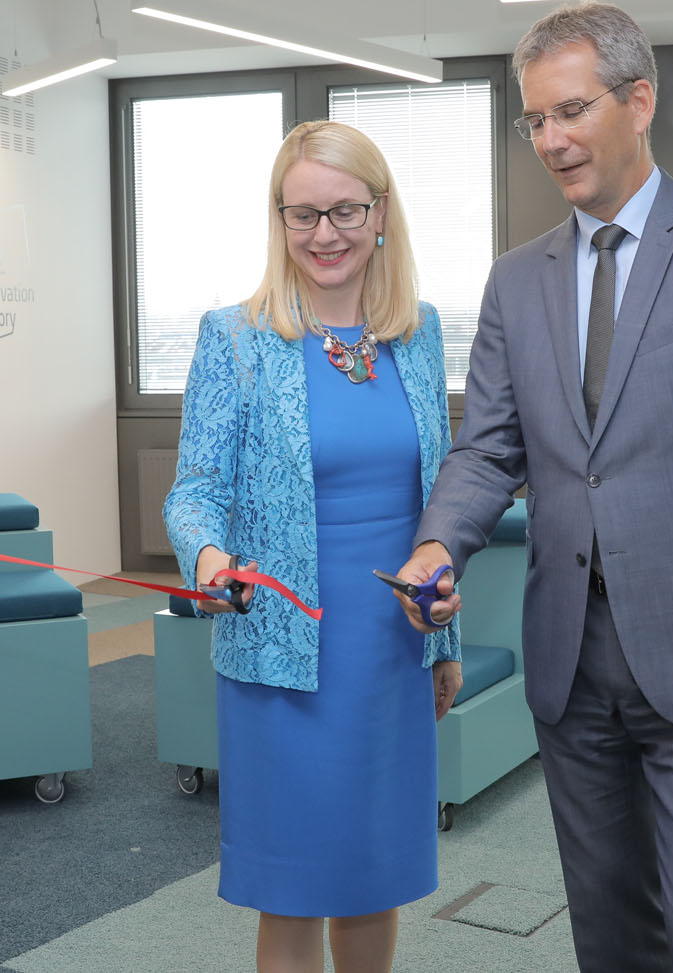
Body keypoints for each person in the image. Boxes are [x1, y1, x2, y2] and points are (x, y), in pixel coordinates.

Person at [395, 1, 673, 972]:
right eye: (534, 121)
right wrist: (440, 542)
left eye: (570, 110)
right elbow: (487, 449)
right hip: (569, 661)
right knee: (608, 939)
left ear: (637, 100)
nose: (551, 140)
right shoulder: (517, 279)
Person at [163, 120, 459, 973]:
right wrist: (210, 558)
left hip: (390, 650)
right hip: (282, 656)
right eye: (302, 215)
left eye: (343, 212)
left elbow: (434, 500)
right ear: (279, 219)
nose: (323, 235)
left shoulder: (420, 331)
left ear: (380, 214)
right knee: (292, 888)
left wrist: (442, 641)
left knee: (374, 875)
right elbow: (195, 489)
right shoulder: (237, 336)